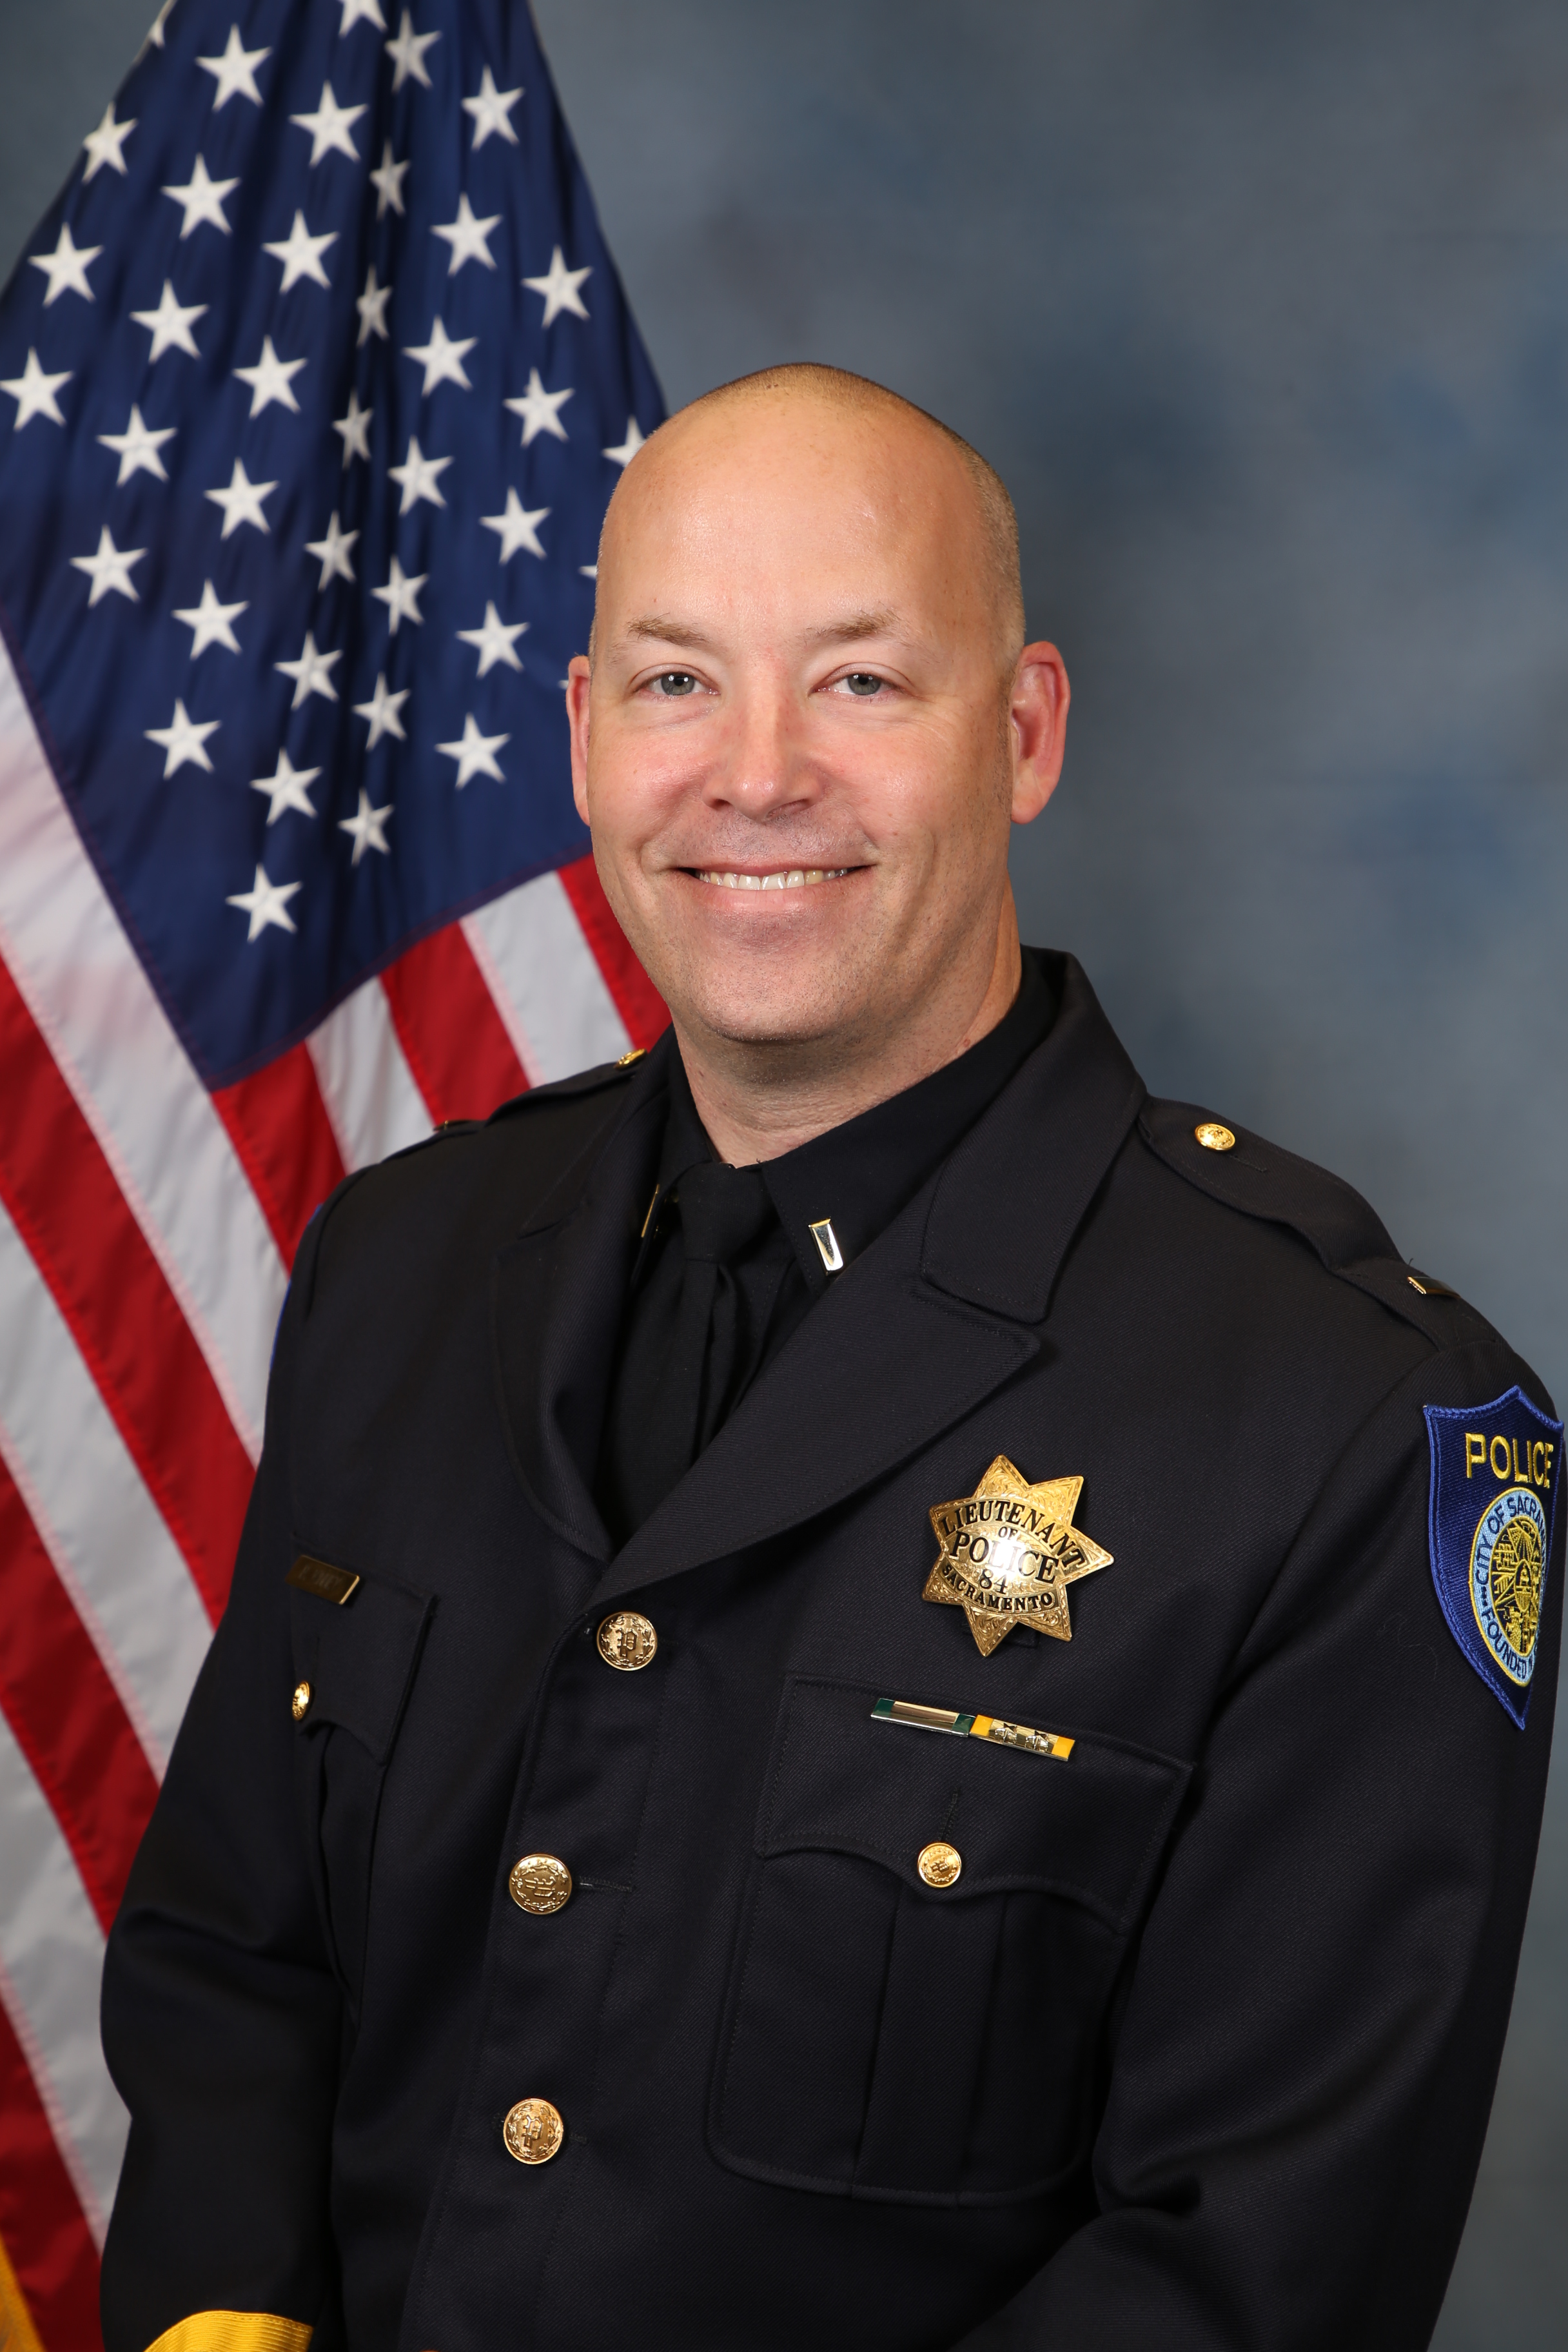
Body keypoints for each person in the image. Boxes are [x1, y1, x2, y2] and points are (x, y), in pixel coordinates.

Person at [101, 364, 1562, 2352]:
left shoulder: (1334, 1419)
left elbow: (1253, 2270)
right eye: (675, 682)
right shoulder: (406, 1266)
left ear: (1024, 733)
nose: (756, 773)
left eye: (863, 682)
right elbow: (237, 1963)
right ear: (583, 738)